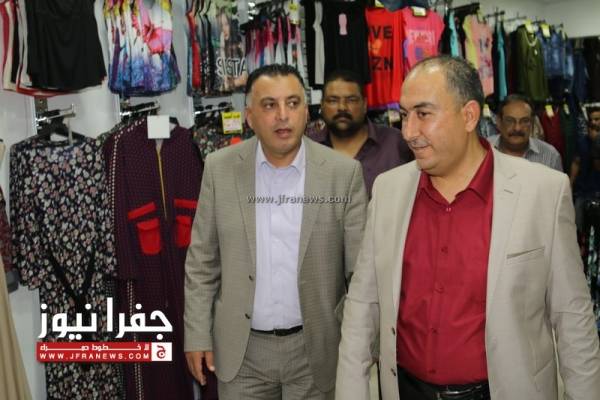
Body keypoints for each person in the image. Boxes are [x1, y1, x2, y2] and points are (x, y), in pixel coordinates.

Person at [336, 55, 600, 400]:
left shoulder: (543, 192)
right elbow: (362, 307)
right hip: (406, 390)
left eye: (423, 114)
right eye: (404, 115)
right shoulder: (388, 190)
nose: (408, 132)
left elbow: (572, 317)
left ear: (469, 116)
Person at [184, 64, 367, 400]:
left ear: (307, 112)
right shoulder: (219, 169)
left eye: (293, 103)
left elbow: (360, 273)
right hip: (243, 352)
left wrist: (360, 341)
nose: (283, 115)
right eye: (270, 105)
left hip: (317, 349)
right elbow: (202, 262)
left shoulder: (343, 174)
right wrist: (197, 335)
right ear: (250, 117)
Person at [308, 70, 413, 197]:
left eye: (351, 100)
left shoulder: (395, 143)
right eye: (333, 100)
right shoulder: (308, 147)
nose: (342, 107)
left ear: (364, 104)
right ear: (322, 105)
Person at [488, 94, 563, 171]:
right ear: (499, 122)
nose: (517, 128)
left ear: (532, 123)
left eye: (524, 121)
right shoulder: (483, 149)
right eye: (510, 121)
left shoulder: (550, 157)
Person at [570, 106, 600, 230]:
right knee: (578, 227)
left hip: (597, 190)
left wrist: (597, 142)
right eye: (591, 119)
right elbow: (576, 162)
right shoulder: (582, 141)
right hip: (582, 191)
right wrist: (570, 184)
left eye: (597, 119)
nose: (593, 122)